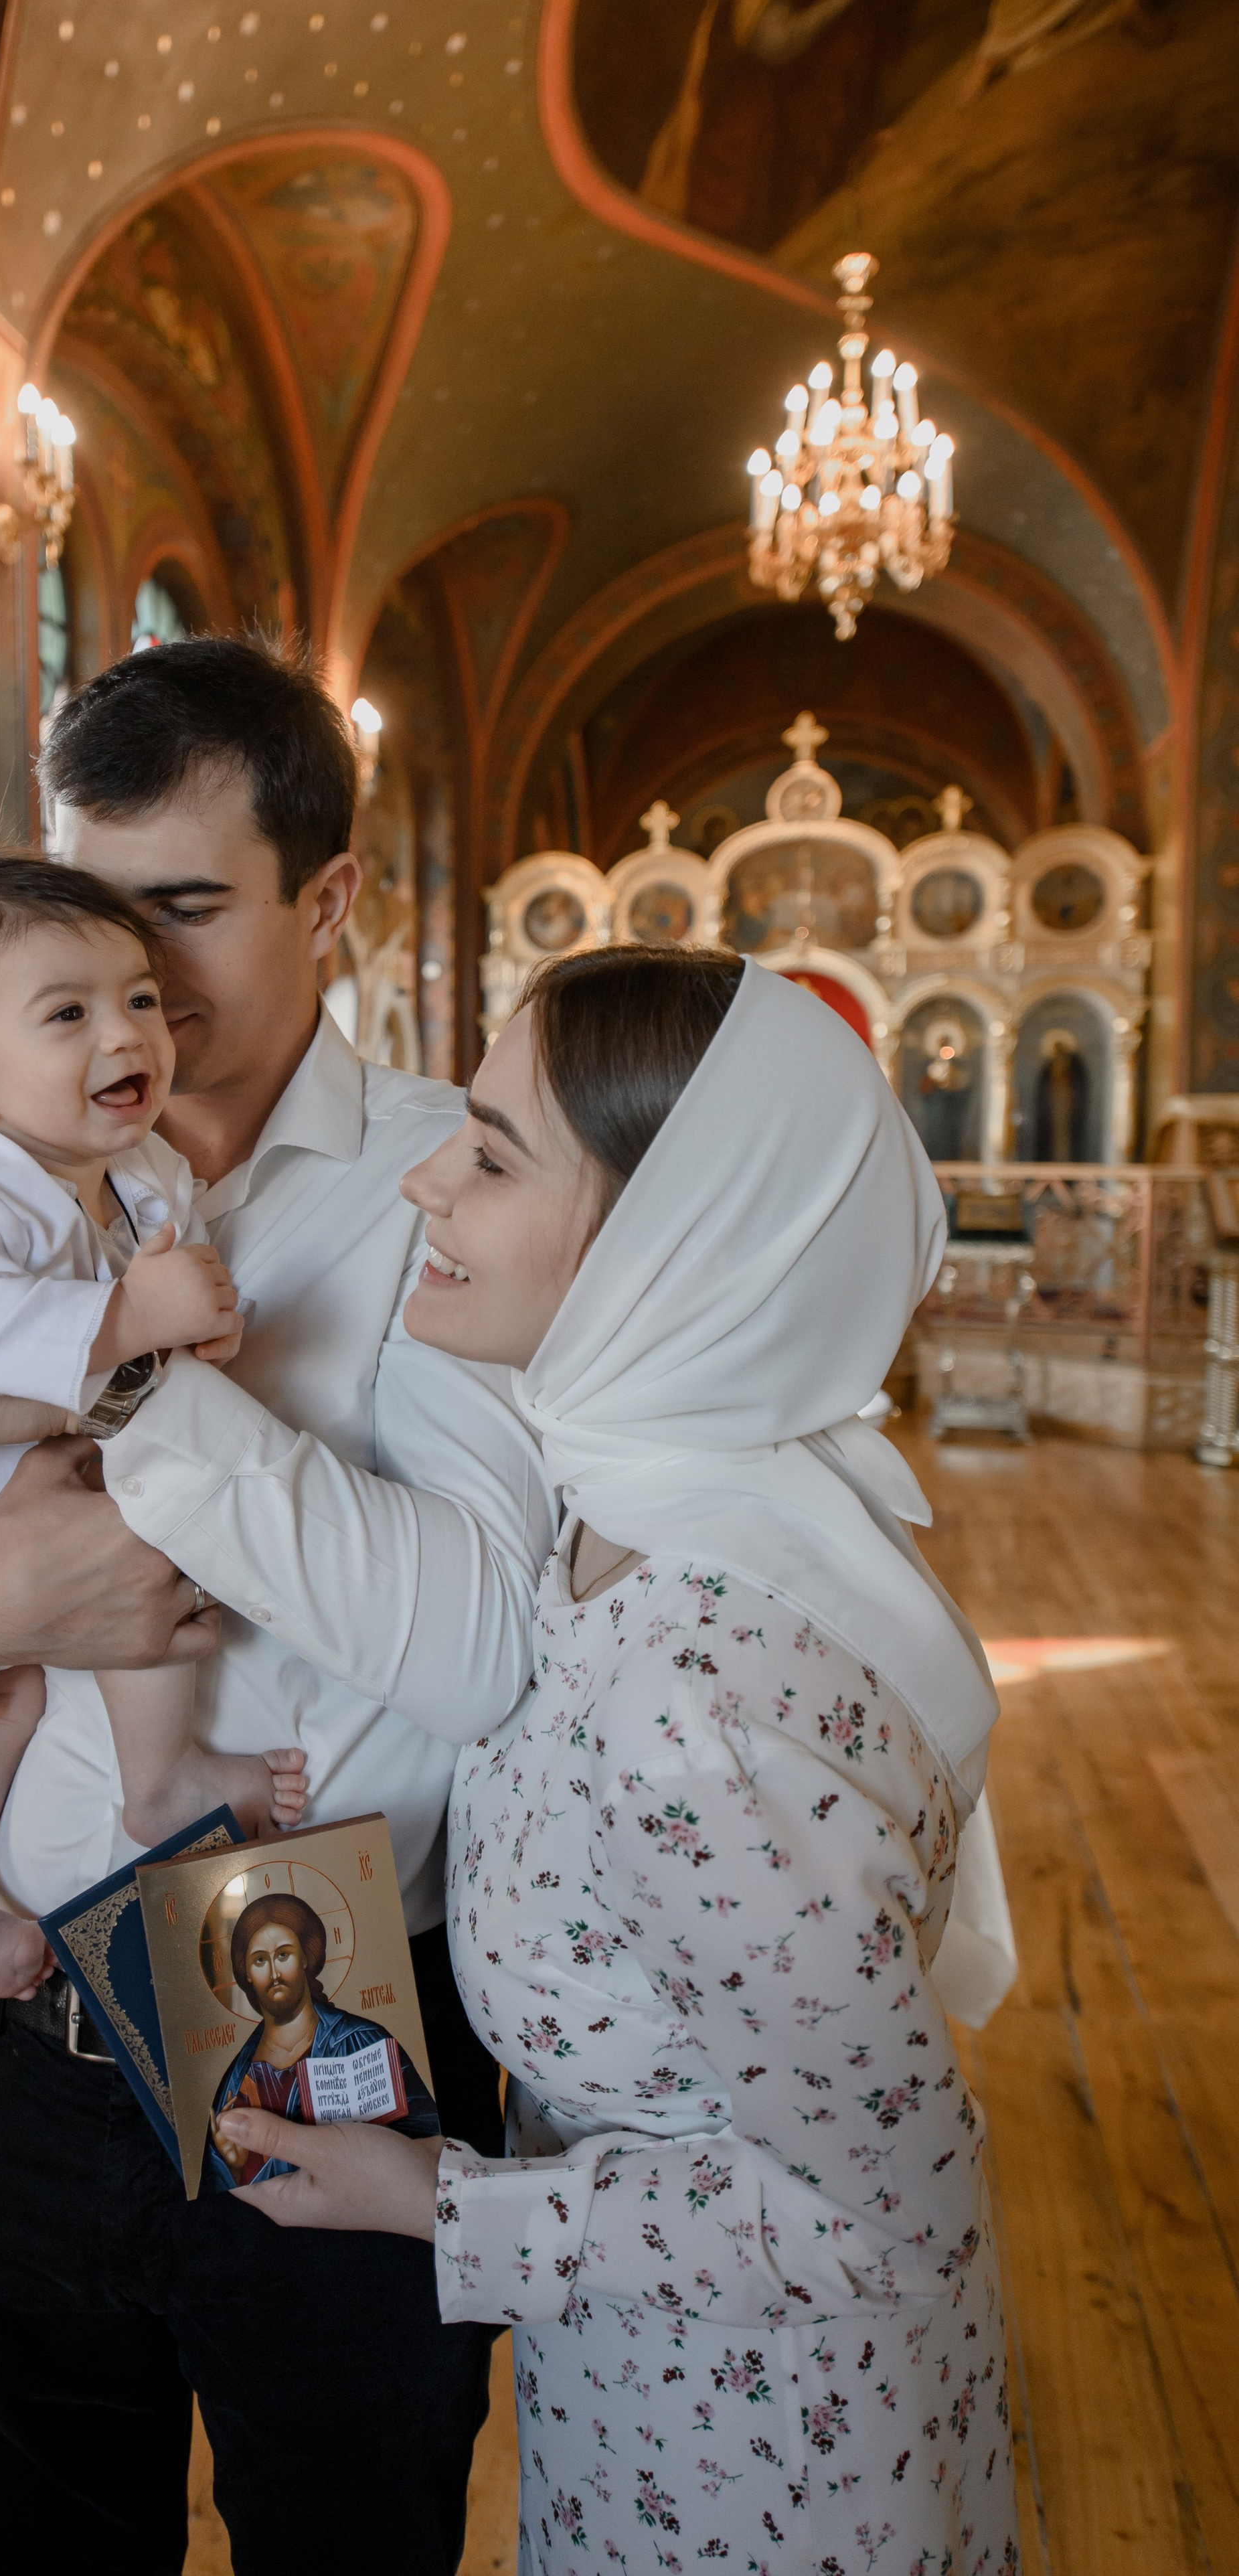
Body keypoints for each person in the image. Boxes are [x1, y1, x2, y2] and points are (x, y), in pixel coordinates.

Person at [0, 637, 555, 2575]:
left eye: (185, 912)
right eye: (96, 914)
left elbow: (480, 1644)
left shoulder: (461, 1184)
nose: (135, 986)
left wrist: (95, 1378)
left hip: (316, 2003)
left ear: (331, 898)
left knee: (346, 2545)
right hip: (7, 2028)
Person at [220, 948, 1021, 2576]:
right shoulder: (633, 1493)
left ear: (665, 1239)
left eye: (493, 1152)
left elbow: (875, 2213)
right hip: (658, 2390)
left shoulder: (694, 1689)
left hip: (767, 2468)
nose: (424, 1174)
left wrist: (431, 2200)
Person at [0, 850, 306, 2004]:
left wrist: (187, 1329)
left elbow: (154, 1330)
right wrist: (134, 1318)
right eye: (67, 1013)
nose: (126, 1033)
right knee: (148, 1523)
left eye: (136, 997)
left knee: (10, 1693)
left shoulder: (136, 1169)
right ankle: (162, 1776)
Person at [205, 1893, 436, 2192]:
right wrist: (234, 2169)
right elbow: (220, 2190)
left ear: (306, 1957)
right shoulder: (236, 2078)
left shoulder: (362, 2041)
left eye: (284, 1955)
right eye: (260, 1960)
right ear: (247, 1973)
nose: (274, 1973)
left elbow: (422, 2141)